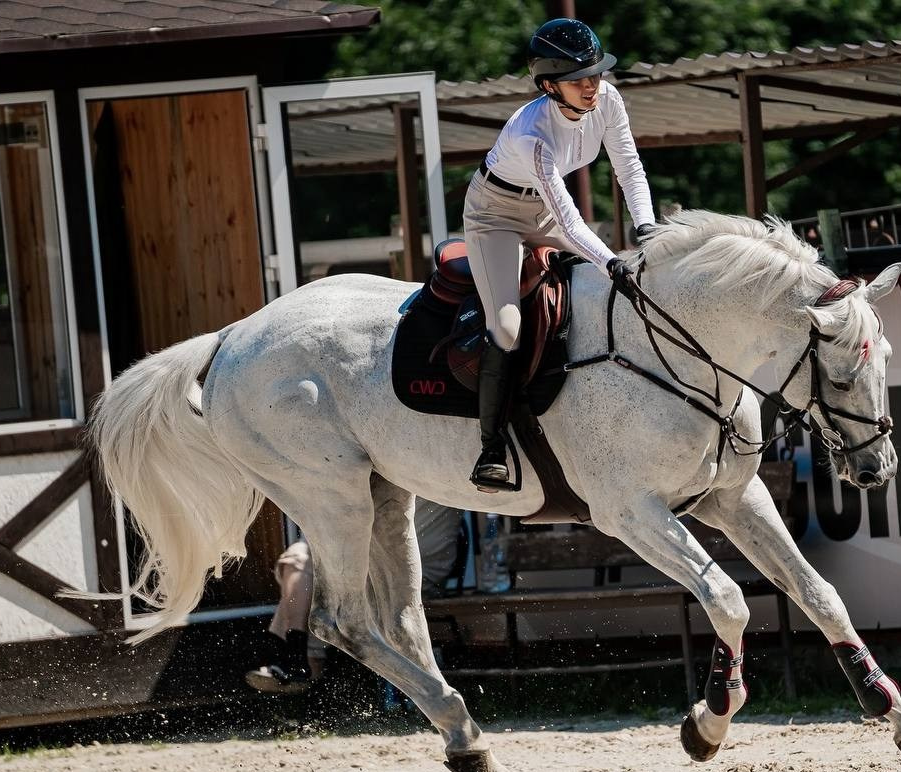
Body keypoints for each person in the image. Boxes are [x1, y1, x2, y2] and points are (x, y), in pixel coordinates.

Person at [464, 17, 657, 491]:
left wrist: (648, 230)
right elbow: (572, 224)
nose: (592, 85)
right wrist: (612, 260)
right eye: (578, 79)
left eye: (595, 73)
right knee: (507, 327)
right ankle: (491, 449)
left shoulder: (608, 99)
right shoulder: (531, 135)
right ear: (550, 86)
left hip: (546, 208)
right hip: (497, 216)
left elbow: (629, 167)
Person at [245, 500, 467, 694]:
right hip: (374, 566)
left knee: (306, 563)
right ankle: (294, 658)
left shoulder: (417, 473)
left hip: (409, 574)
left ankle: (290, 656)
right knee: (304, 559)